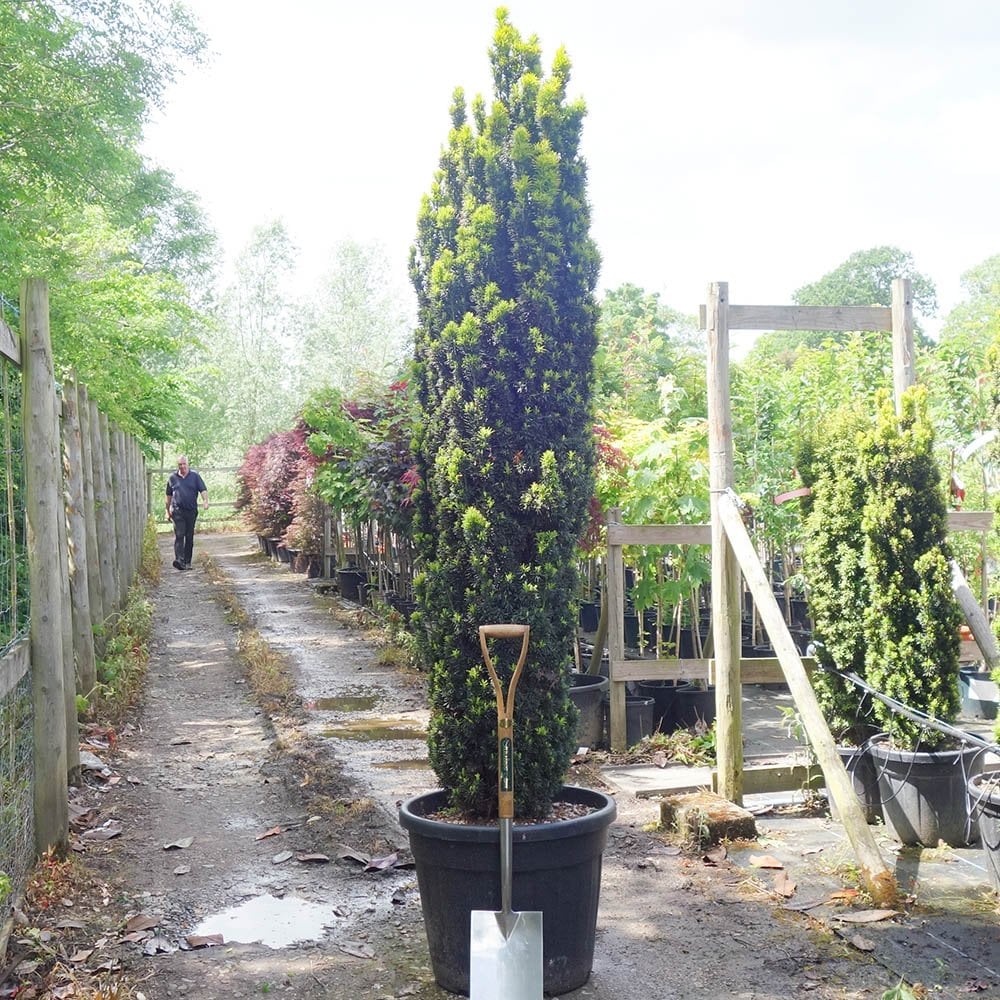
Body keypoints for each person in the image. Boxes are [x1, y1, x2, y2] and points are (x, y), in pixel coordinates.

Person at [166, 455, 208, 570]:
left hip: (191, 510)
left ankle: (187, 561)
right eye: (180, 464)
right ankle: (179, 560)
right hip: (177, 511)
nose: (182, 466)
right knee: (179, 535)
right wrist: (167, 510)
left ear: (187, 464)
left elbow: (203, 490)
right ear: (177, 465)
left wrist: (205, 501)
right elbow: (168, 496)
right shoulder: (172, 478)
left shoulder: (195, 476)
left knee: (189, 536)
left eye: (184, 464)